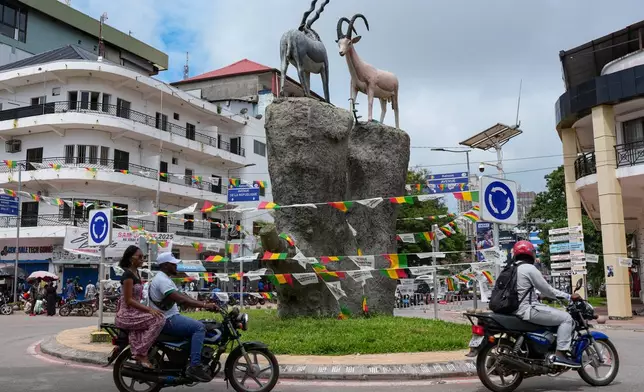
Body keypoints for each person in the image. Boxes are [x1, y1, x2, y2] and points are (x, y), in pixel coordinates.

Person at [149, 252, 219, 382]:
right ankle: (194, 366)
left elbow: (182, 296)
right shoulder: (162, 280)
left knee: (196, 324)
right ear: (165, 265)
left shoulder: (164, 278)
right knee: (199, 327)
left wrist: (205, 303)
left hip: (168, 317)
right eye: (173, 263)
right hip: (167, 319)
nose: (176, 265)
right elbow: (181, 299)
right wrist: (204, 305)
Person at [511, 240, 581, 368]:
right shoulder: (529, 269)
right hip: (527, 310)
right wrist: (568, 296)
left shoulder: (511, 268)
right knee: (566, 318)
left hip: (514, 309)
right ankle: (560, 355)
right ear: (531, 254)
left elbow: (520, 291)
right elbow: (547, 290)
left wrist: (539, 296)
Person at [114, 245, 165, 369]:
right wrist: (149, 309)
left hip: (135, 312)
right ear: (131, 259)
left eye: (144, 257)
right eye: (140, 257)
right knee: (159, 319)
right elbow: (129, 300)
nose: (143, 259)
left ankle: (139, 349)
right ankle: (141, 353)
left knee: (160, 315)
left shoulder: (135, 273)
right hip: (127, 314)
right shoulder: (127, 275)